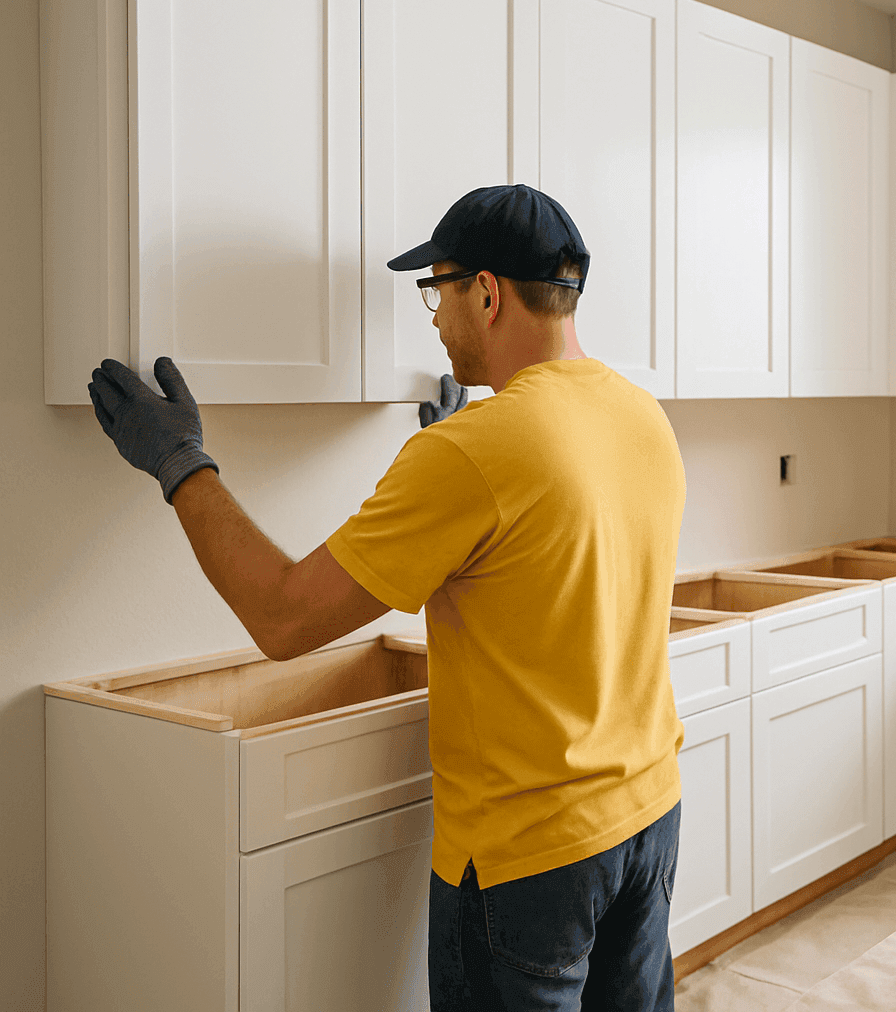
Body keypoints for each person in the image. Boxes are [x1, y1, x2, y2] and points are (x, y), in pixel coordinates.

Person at [88, 184, 689, 1012]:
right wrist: (451, 458)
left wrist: (181, 462)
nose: (434, 315)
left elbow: (285, 616)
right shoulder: (638, 413)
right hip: (648, 817)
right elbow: (541, 567)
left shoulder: (477, 451)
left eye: (436, 288)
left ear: (487, 292)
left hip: (532, 858)